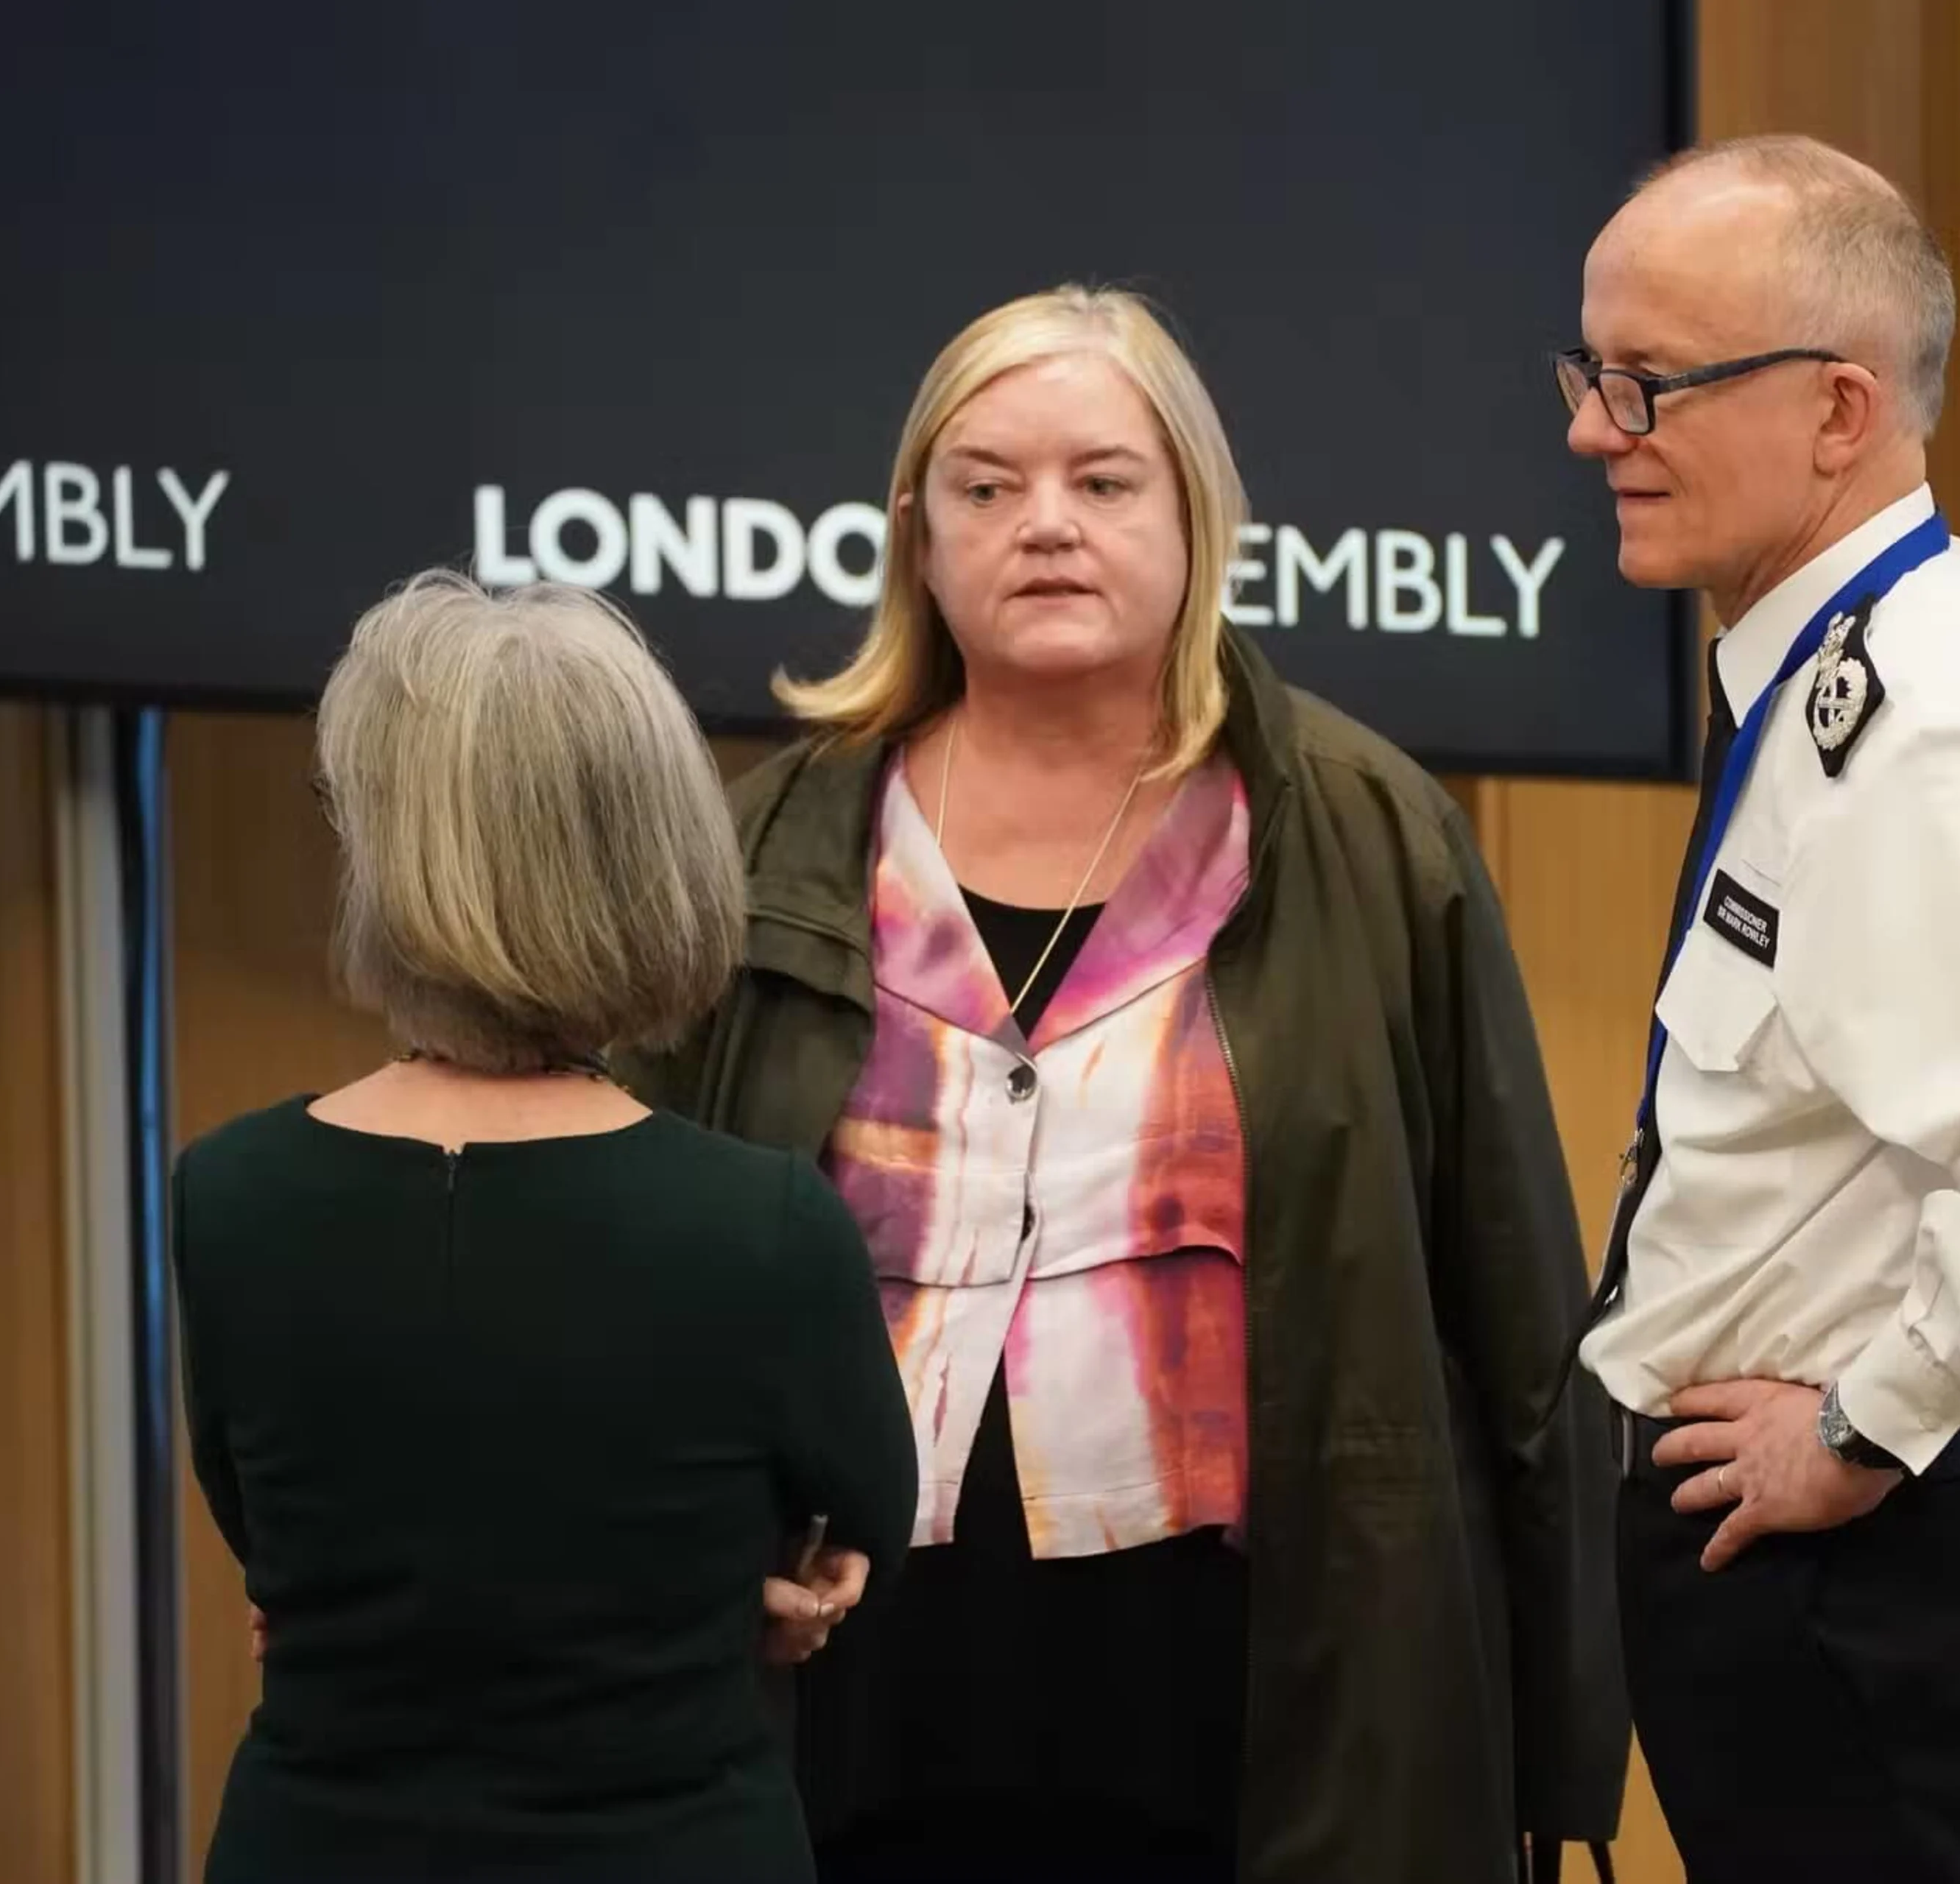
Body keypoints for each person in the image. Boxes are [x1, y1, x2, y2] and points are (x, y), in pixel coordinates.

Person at [629, 285, 1626, 1884]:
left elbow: (1519, 1315)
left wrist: (1564, 1753)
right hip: (859, 1672)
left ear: (1194, 517)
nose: (1045, 525)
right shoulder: (768, 848)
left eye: (1103, 481)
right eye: (986, 485)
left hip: (1255, 1677)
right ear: (918, 535)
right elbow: (639, 1271)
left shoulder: (1370, 835)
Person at [1562, 136, 1960, 1882]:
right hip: (1833, 1596)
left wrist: (1861, 1426)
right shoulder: (1870, 668)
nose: (1592, 430)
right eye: (1590, 371)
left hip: (1879, 1592)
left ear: (1840, 410)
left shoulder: (1922, 719)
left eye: (1647, 383)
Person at [175, 572, 917, 1884]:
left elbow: (269, 1539)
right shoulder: (763, 1228)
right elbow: (859, 1522)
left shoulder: (228, 1195)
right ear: (653, 855)